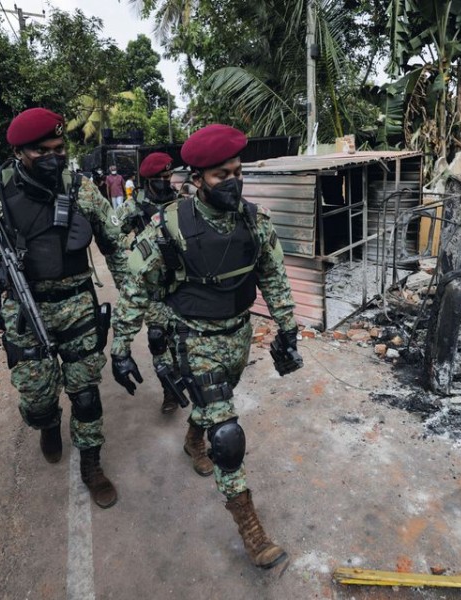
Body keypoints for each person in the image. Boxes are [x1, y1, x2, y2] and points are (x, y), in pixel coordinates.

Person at [111, 124, 301, 569]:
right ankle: (252, 532)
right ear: (196, 179)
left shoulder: (255, 221)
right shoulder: (168, 226)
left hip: (238, 334)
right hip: (193, 336)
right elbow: (137, 288)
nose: (234, 181)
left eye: (238, 171)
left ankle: (192, 438)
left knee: (216, 403)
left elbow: (273, 274)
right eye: (221, 175)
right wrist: (120, 346)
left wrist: (287, 328)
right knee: (228, 433)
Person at [0, 108, 129, 509]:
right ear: (18, 151)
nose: (54, 157)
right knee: (37, 397)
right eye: (42, 151)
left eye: (59, 148)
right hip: (25, 311)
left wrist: (134, 294)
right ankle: (47, 423)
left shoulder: (80, 188)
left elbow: (115, 245)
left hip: (78, 303)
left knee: (85, 393)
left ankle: (92, 464)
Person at [114, 152, 181, 415]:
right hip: (153, 290)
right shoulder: (132, 208)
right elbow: (110, 235)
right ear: (147, 180)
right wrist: (133, 249)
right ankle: (170, 393)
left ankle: (183, 380)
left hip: (180, 287)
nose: (166, 181)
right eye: (160, 178)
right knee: (158, 340)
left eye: (168, 176)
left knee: (183, 341)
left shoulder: (182, 204)